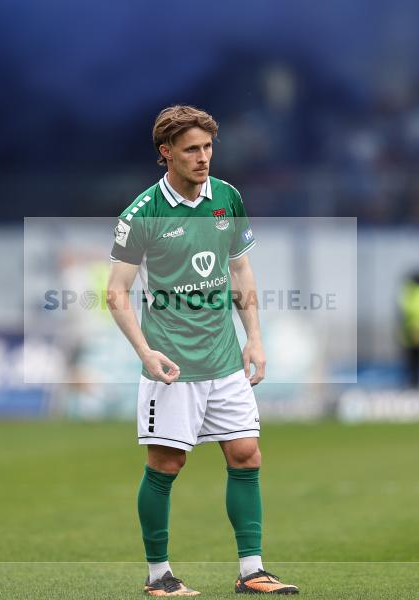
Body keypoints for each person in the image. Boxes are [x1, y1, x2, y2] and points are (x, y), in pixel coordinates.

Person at [107, 105, 299, 596]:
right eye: (192, 148)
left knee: (246, 455)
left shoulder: (227, 198)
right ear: (165, 152)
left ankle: (252, 570)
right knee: (166, 466)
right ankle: (159, 577)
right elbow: (116, 292)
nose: (203, 157)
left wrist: (254, 337)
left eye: (208, 147)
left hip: (224, 359)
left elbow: (240, 272)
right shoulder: (143, 213)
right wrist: (146, 354)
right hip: (172, 364)